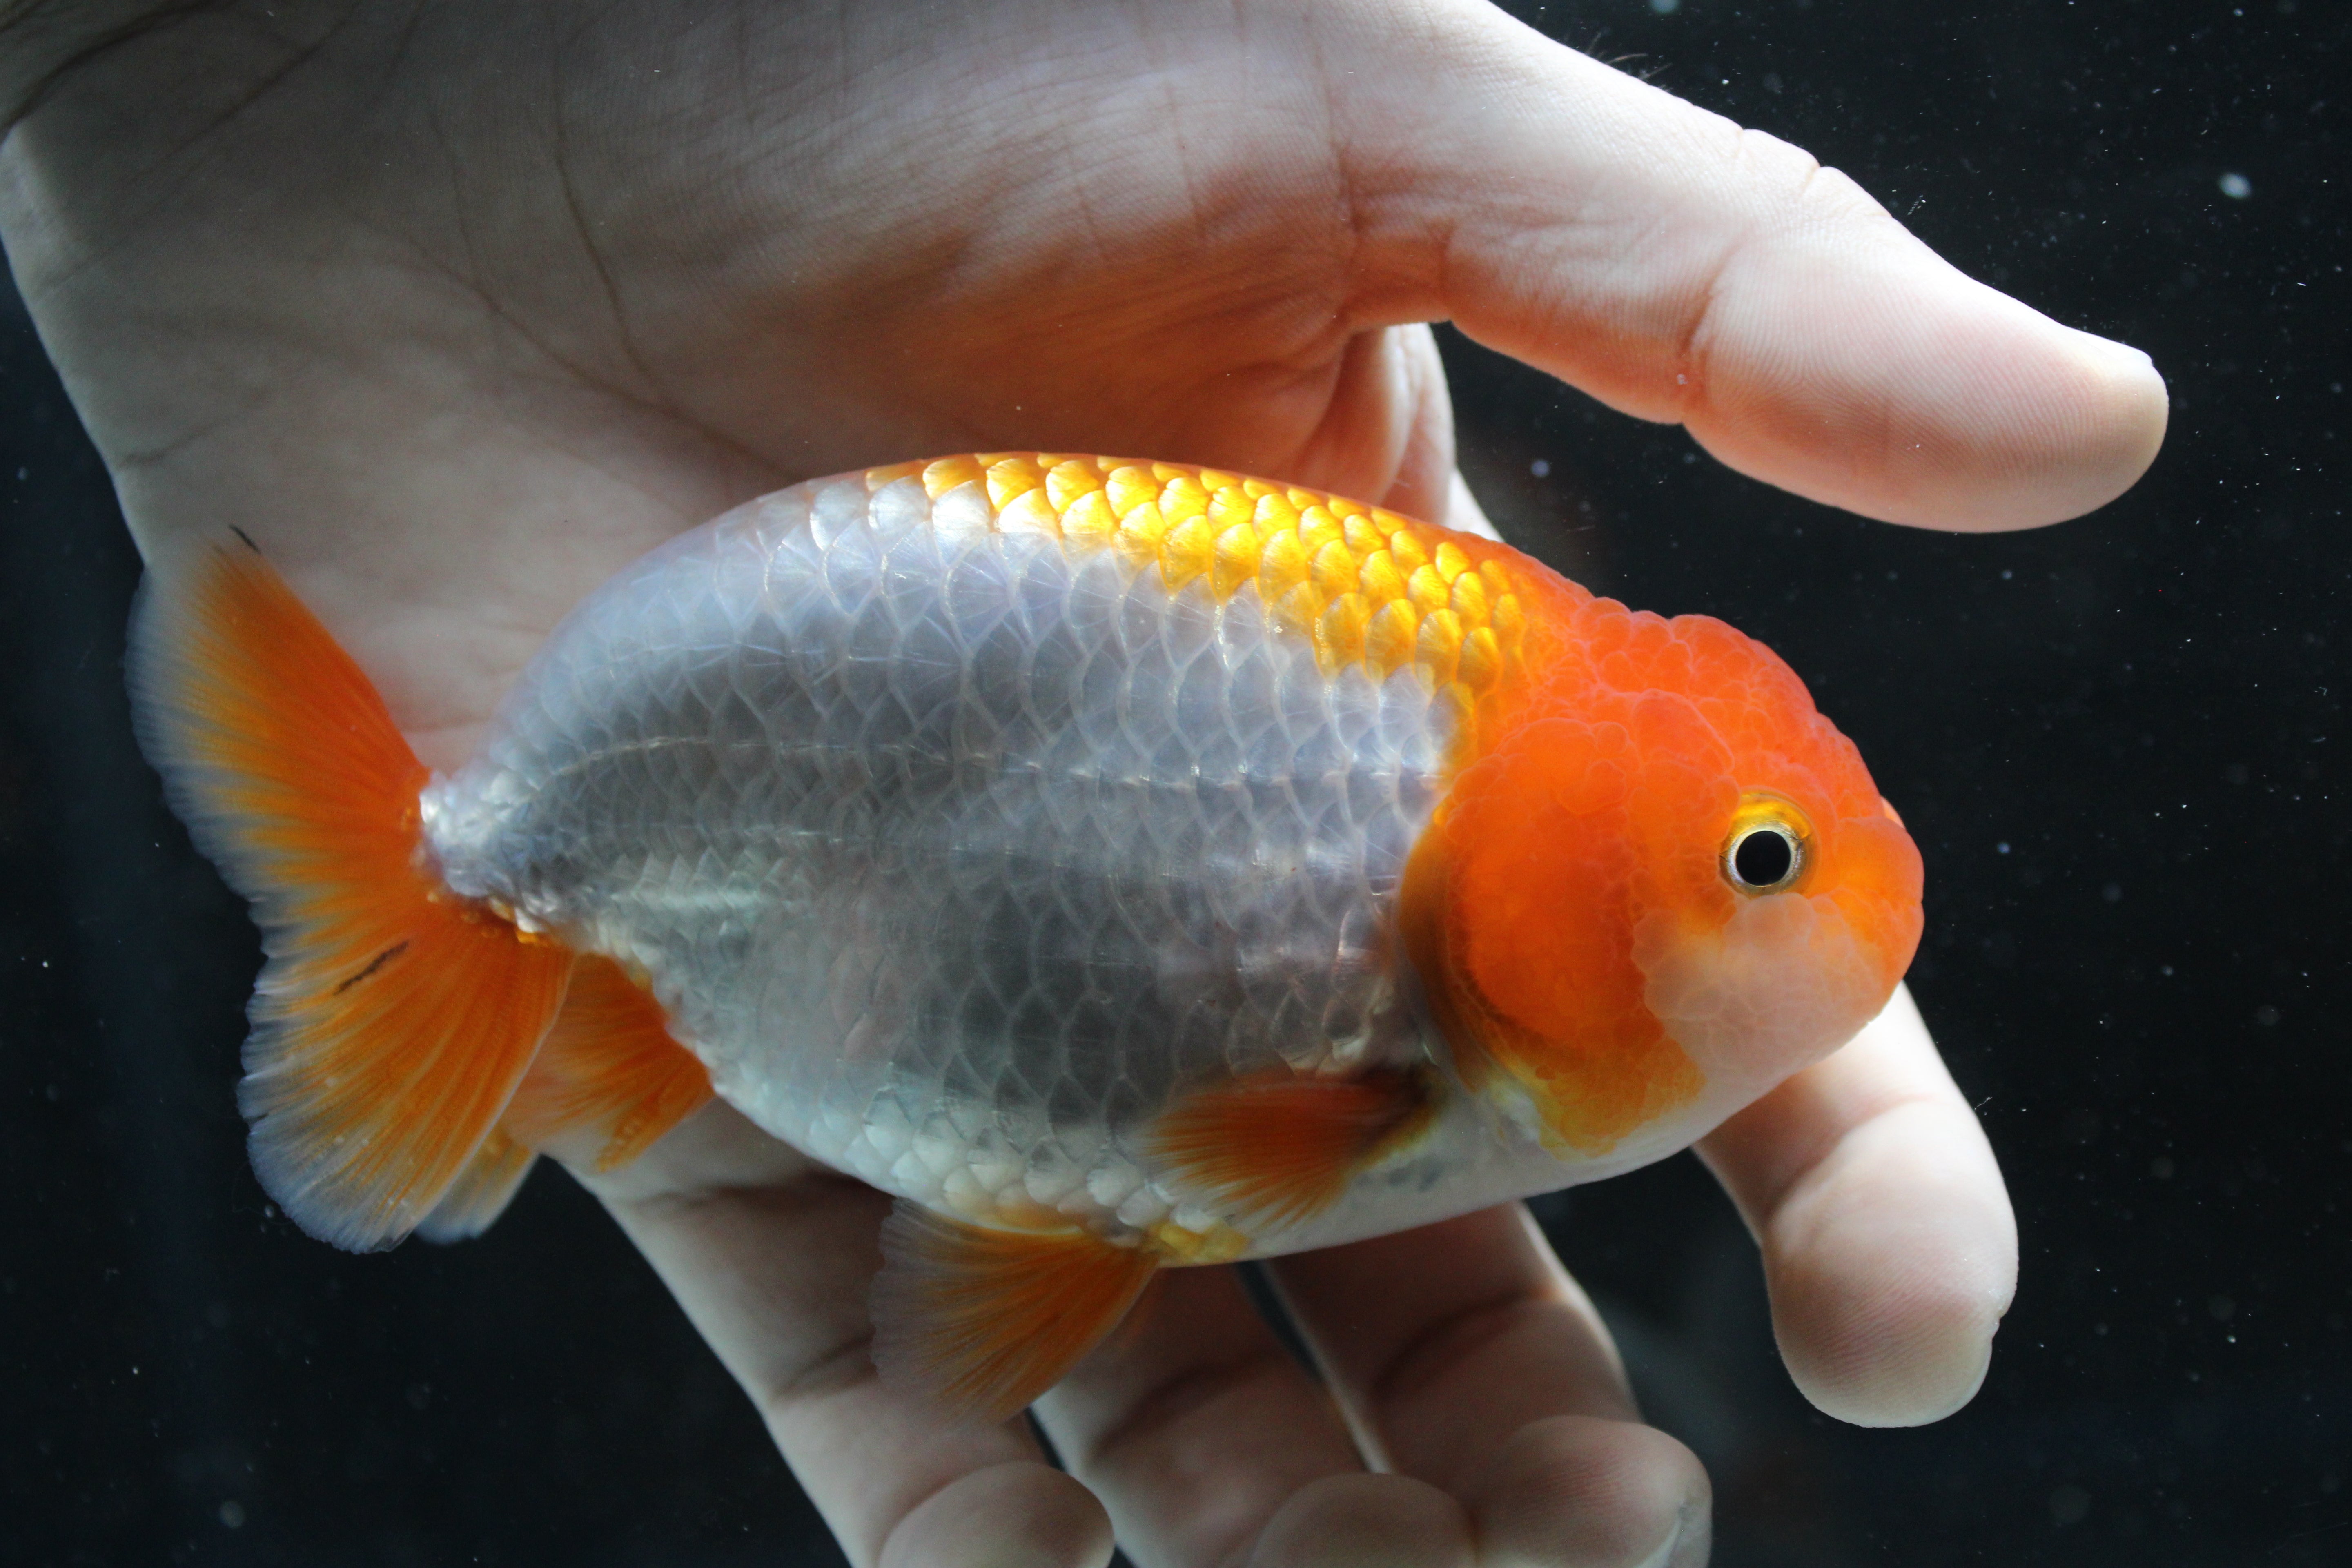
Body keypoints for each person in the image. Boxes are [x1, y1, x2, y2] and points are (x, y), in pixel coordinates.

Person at [0, 2, 2163, 1564]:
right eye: (1758, 865)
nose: (1822, 900)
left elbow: (1101, 1215)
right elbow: (1200, 1162)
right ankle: (452, 885)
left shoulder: (1459, 810)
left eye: (1774, 848)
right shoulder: (1388, 1032)